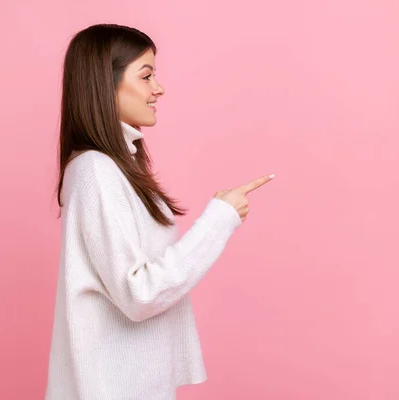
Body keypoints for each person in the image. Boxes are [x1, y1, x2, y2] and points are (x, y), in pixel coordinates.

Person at [45, 23, 274, 400]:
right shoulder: (95, 171)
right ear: (106, 83)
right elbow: (140, 292)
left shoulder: (111, 168)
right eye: (147, 75)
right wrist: (219, 219)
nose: (159, 88)